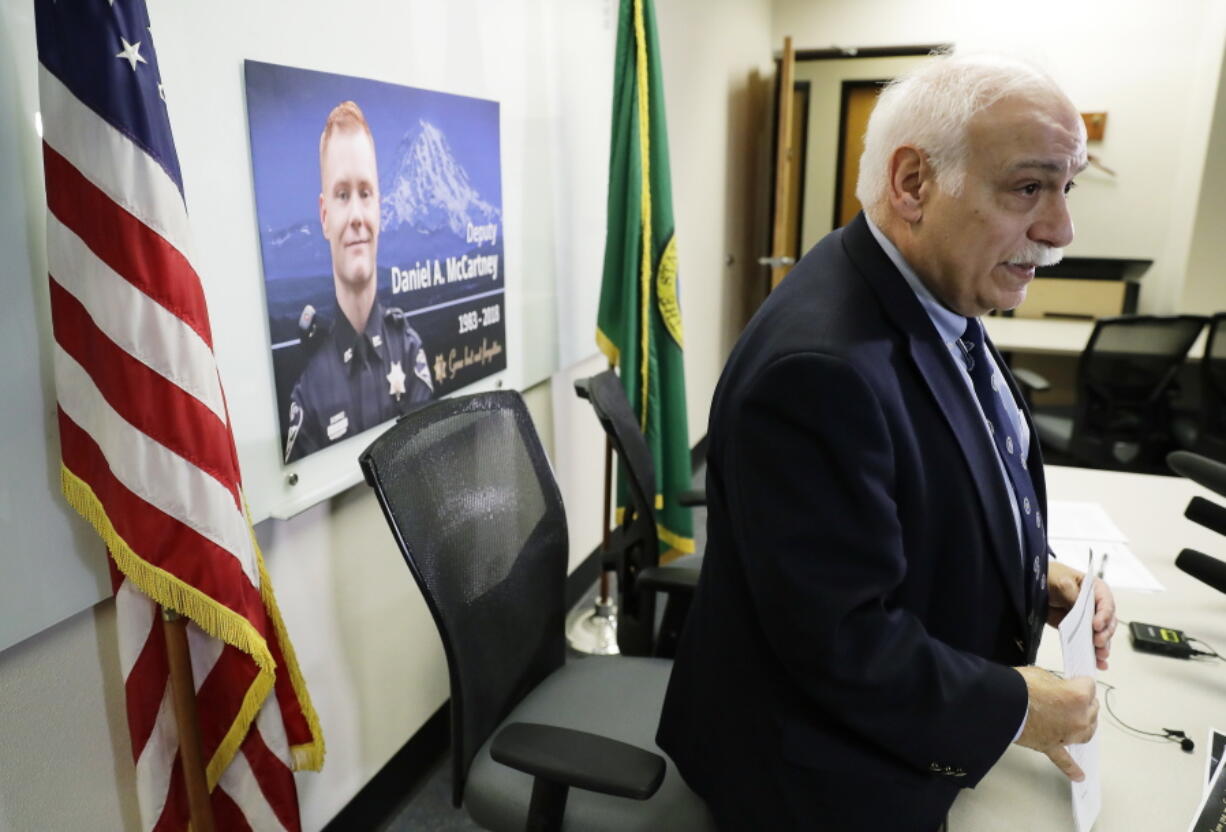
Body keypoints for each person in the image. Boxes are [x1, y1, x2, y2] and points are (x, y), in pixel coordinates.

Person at [657, 54, 1118, 830]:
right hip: (813, 783)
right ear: (913, 185)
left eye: (1066, 187)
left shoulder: (931, 288)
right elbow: (841, 641)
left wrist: (1029, 573)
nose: (1061, 231)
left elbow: (935, 485)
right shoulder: (819, 372)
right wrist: (1015, 705)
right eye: (1028, 188)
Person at [284, 101, 433, 463]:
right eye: (342, 195)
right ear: (324, 216)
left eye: (365, 194)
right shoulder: (309, 391)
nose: (356, 216)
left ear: (379, 207)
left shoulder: (409, 351)